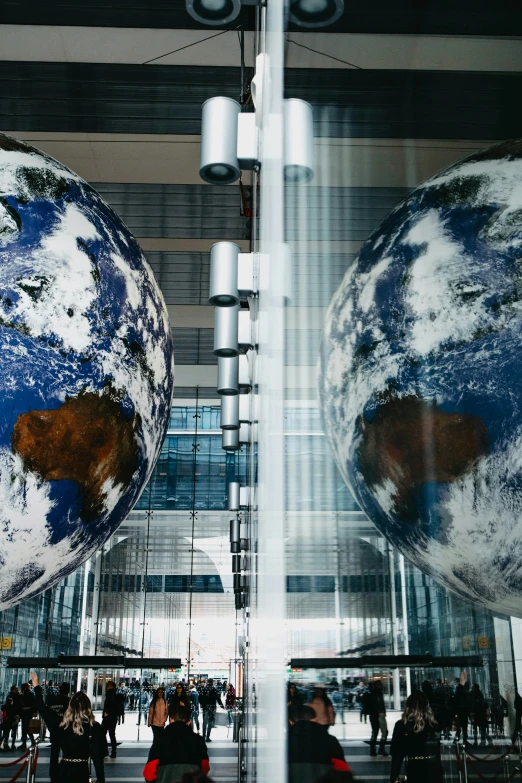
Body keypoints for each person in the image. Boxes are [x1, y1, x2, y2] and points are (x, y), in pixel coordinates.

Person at [31, 671, 105, 783]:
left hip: (63, 770)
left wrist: (36, 686)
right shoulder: (94, 727)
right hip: (81, 772)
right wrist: (101, 780)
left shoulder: (62, 724)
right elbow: (97, 758)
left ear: (70, 707)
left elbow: (42, 709)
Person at [143, 704, 210, 782]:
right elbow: (205, 767)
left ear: (171, 720)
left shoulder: (160, 740)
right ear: (189, 722)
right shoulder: (198, 740)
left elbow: (149, 773)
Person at [390, 691, 443, 783]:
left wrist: (394, 777)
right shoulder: (433, 723)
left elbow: (396, 755)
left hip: (414, 768)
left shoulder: (402, 725)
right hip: (434, 769)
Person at [288, 704, 349, 783]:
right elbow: (342, 770)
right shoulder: (330, 740)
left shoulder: (284, 742)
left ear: (290, 722)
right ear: (316, 719)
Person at [47, 683, 71, 783]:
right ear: (68, 691)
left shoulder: (52, 701)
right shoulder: (69, 702)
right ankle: (66, 771)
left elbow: (47, 714)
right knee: (68, 753)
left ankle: (53, 772)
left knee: (54, 752)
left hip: (54, 730)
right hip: (66, 731)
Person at [102, 680, 124, 759]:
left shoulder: (109, 694)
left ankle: (104, 751)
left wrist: (106, 713)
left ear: (111, 686)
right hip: (113, 717)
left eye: (108, 685)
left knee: (102, 733)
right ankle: (113, 752)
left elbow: (109, 705)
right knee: (112, 734)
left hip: (108, 717)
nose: (107, 686)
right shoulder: (114, 694)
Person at [367, 680, 388, 757]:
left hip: (373, 715)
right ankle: (381, 749)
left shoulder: (371, 693)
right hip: (379, 715)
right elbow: (380, 704)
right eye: (379, 684)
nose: (380, 686)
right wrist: (383, 712)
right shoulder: (378, 693)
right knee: (384, 732)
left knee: (375, 732)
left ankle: (372, 750)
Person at [1, 685, 22, 751]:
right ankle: (7, 743)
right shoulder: (12, 696)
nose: (17, 689)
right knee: (9, 731)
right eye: (15, 689)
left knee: (11, 731)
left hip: (14, 717)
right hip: (12, 717)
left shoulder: (17, 696)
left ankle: (11, 744)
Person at [454, 671, 470, 745]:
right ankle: (462, 738)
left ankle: (459, 737)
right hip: (462, 711)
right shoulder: (463, 693)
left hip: (461, 711)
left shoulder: (459, 692)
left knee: (461, 726)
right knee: (462, 726)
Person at [19, 682, 36, 749]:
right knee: (27, 727)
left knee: (25, 728)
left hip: (25, 712)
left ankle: (26, 742)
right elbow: (34, 703)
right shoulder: (31, 693)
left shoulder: (24, 694)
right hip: (29, 712)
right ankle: (31, 741)